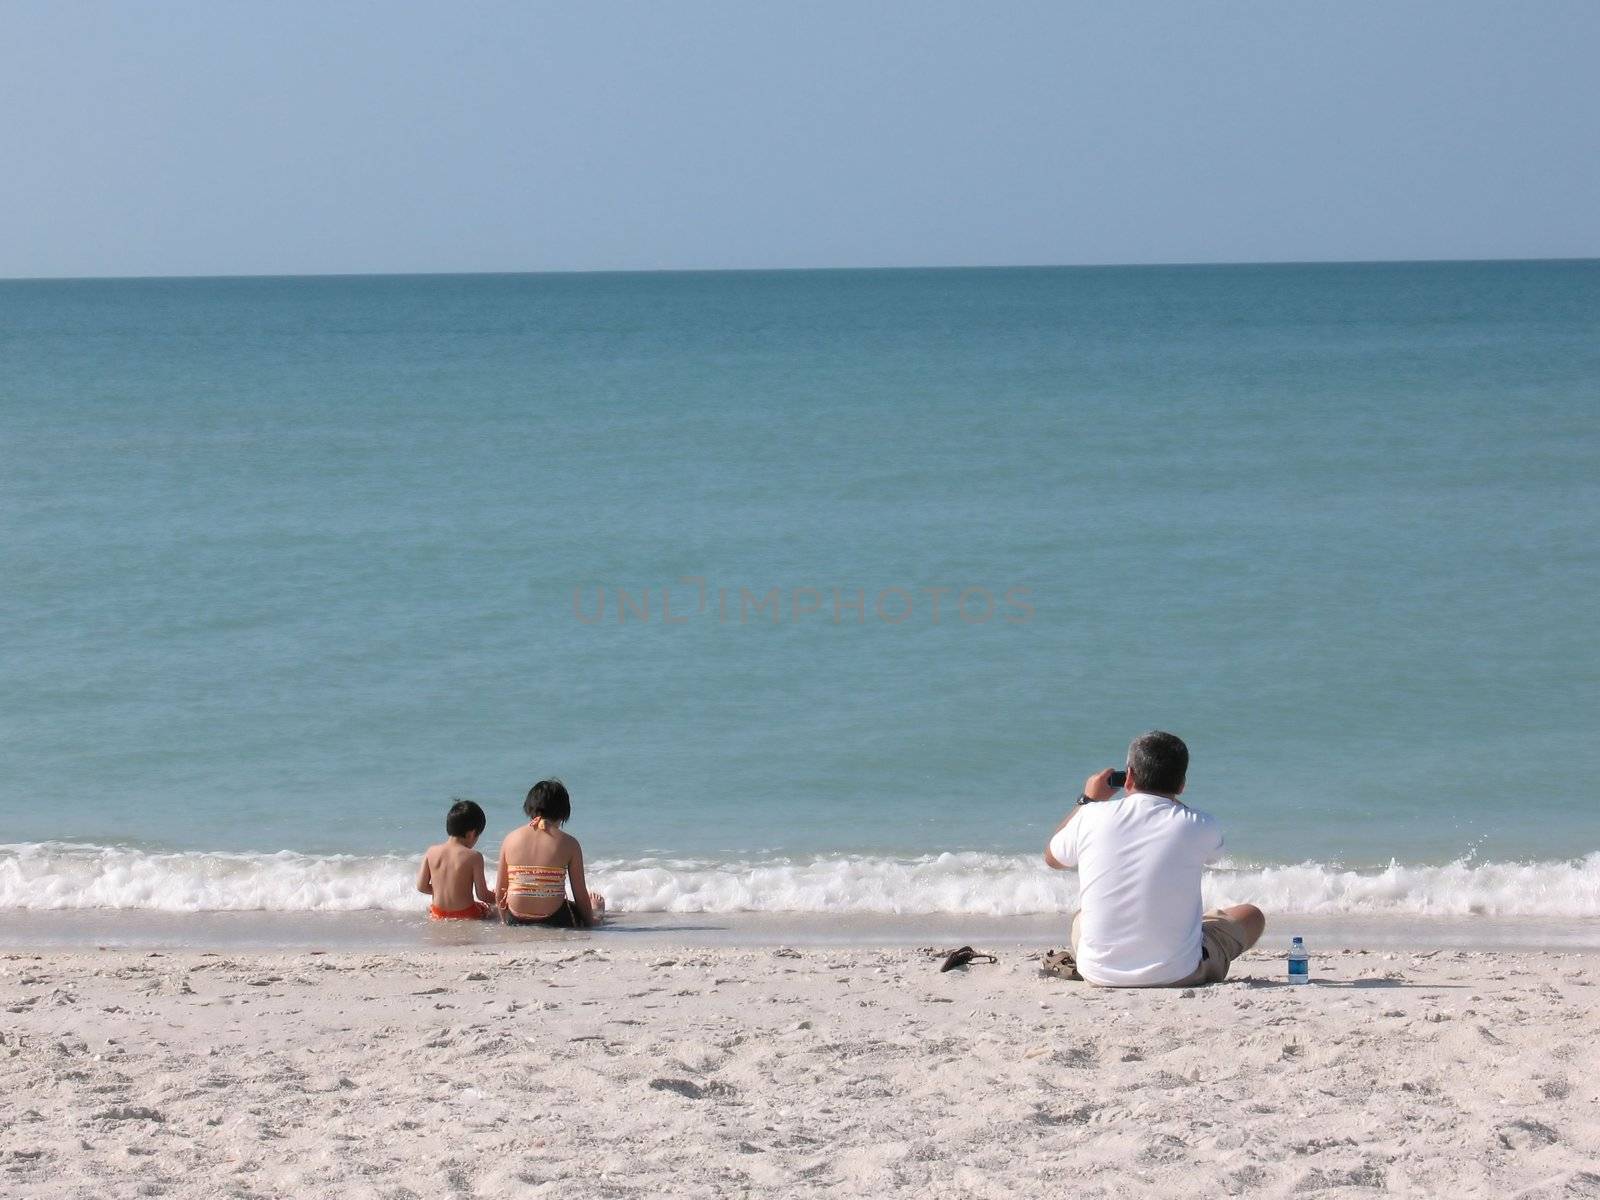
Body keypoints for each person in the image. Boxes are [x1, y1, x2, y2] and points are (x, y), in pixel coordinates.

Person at [1043, 731, 1265, 987]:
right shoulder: (1199, 824)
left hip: (1099, 973)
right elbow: (1215, 856)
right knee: (1251, 915)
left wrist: (1088, 800)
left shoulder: (1090, 815)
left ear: (1129, 776)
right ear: (1182, 784)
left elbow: (1052, 858)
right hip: (1179, 973)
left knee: (1083, 916)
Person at [496, 779, 605, 928]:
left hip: (515, 917)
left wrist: (505, 920)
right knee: (587, 910)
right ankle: (597, 912)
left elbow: (501, 891)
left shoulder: (510, 839)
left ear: (529, 807)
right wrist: (591, 922)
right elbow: (579, 893)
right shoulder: (570, 843)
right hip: (553, 918)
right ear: (563, 811)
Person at [416, 800, 497, 920]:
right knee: (491, 911)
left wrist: (443, 891)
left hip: (438, 913)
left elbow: (421, 886)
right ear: (472, 833)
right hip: (467, 914)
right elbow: (482, 895)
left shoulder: (431, 852)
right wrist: (500, 897)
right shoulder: (474, 856)